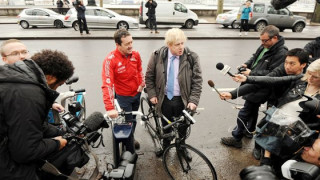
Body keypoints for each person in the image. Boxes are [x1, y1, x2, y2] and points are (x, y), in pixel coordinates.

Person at [0, 49, 75, 180]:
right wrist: (56, 143)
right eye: (59, 84)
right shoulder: (30, 94)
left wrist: (60, 133)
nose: (56, 89)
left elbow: (33, 125)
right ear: (50, 77)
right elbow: (25, 152)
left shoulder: (16, 77)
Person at [220, 25, 287, 149]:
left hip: (261, 86)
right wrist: (247, 64)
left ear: (275, 38)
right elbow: (255, 58)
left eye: (265, 41)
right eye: (261, 40)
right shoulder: (265, 46)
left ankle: (237, 138)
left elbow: (272, 74)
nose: (262, 43)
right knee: (252, 109)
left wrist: (251, 73)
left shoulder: (281, 53)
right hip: (252, 81)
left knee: (245, 112)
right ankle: (249, 131)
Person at [145, 28, 203, 156]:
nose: (181, 47)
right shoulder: (157, 55)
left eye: (183, 43)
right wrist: (152, 94)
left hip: (183, 100)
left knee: (183, 126)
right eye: (177, 44)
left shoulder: (192, 57)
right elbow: (149, 77)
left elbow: (197, 81)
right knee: (166, 125)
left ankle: (181, 147)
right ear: (169, 44)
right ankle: (166, 146)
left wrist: (193, 100)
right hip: (164, 98)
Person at [101, 29, 144, 152]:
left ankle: (131, 136)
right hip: (123, 96)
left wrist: (142, 82)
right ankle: (129, 147)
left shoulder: (135, 54)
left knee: (133, 119)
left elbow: (139, 69)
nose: (131, 46)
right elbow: (107, 85)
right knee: (128, 121)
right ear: (117, 45)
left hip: (136, 93)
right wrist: (110, 108)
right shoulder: (110, 60)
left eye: (131, 42)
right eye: (127, 44)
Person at [0, 39, 64, 112]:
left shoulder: (34, 72)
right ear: (4, 59)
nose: (22, 56)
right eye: (15, 53)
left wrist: (51, 104)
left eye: (24, 52)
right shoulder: (5, 82)